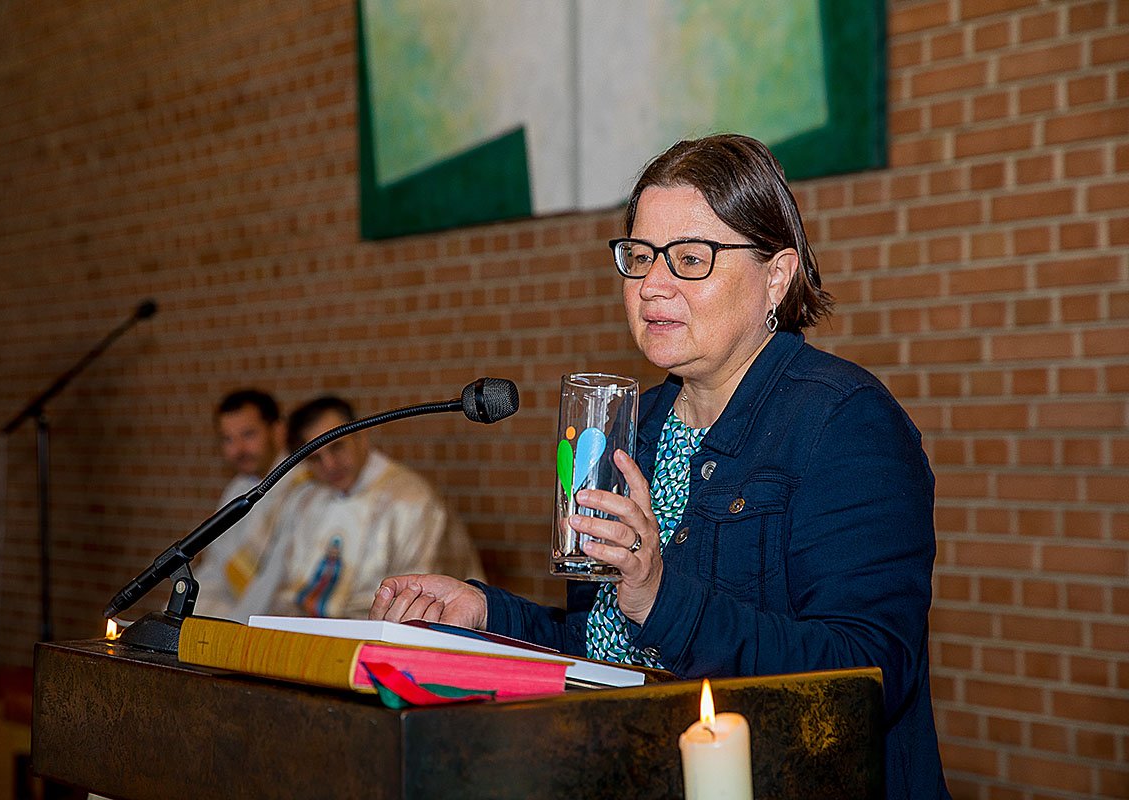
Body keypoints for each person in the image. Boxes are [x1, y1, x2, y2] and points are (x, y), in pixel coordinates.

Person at [370, 134, 950, 798]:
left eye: (690, 259)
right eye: (640, 257)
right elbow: (601, 642)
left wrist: (661, 597)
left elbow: (869, 674)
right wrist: (485, 615)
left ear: (777, 275)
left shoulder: (844, 421)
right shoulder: (633, 423)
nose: (651, 285)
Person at [270, 395, 486, 619]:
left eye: (337, 447)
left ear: (361, 437)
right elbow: (288, 591)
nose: (329, 465)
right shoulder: (307, 500)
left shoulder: (410, 501)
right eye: (314, 458)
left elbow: (417, 600)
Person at [195, 389, 294, 622]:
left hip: (273, 621)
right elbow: (215, 567)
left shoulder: (304, 488)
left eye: (248, 435)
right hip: (232, 612)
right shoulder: (237, 488)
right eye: (228, 439)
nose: (238, 450)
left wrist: (230, 627)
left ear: (278, 430)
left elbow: (274, 583)